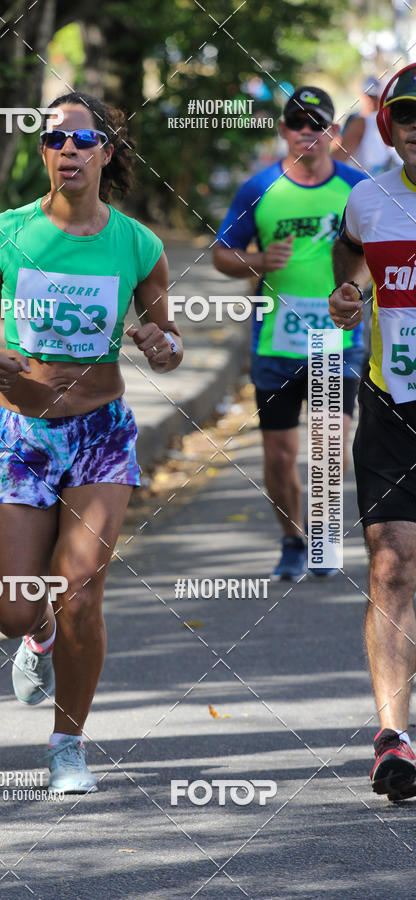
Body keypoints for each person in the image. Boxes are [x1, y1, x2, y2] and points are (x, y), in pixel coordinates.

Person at [0, 92, 183, 793]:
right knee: (16, 605)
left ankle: (67, 745)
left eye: (85, 139)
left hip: (101, 434)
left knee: (81, 593)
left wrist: (159, 342)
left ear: (108, 151)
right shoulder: (7, 232)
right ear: (44, 152)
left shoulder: (138, 244)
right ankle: (35, 636)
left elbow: (169, 339)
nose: (70, 150)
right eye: (56, 139)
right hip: (20, 433)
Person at [213, 86, 366, 580]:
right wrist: (256, 260)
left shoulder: (357, 188)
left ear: (334, 134)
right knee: (279, 455)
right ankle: (292, 539)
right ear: (283, 132)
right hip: (275, 341)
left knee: (330, 444)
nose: (308, 133)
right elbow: (221, 253)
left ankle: (322, 530)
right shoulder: (258, 188)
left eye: (318, 124)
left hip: (334, 338)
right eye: (298, 123)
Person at [329, 64, 416, 801]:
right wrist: (350, 292)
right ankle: (394, 739)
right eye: (410, 115)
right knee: (391, 564)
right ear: (392, 126)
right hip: (394, 403)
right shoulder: (368, 200)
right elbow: (346, 255)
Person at [332, 76, 401, 176]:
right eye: (367, 95)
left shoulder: (397, 123)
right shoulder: (357, 121)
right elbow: (338, 158)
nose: (370, 100)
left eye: (374, 96)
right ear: (361, 95)